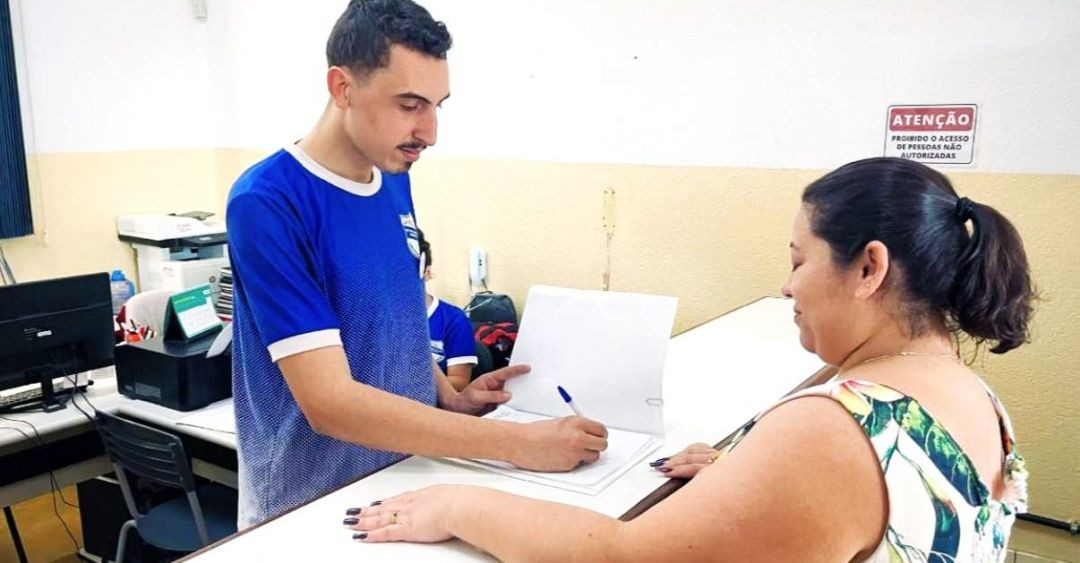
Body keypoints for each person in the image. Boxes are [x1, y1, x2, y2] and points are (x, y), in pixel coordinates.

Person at [344, 157, 1034, 562]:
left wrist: (457, 503)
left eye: (799, 261)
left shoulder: (836, 429)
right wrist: (754, 481)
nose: (787, 287)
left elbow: (620, 556)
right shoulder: (973, 397)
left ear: (869, 268)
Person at [226, 0, 607, 528]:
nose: (429, 132)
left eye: (436, 106)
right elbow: (329, 403)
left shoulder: (392, 175)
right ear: (342, 88)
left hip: (403, 479)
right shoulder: (268, 202)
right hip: (309, 501)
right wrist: (515, 443)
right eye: (409, 105)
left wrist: (448, 398)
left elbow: (394, 318)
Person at [417, 228, 477, 391]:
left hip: (428, 403)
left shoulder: (453, 320)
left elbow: (459, 382)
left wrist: (408, 385)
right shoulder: (377, 319)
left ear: (426, 272)